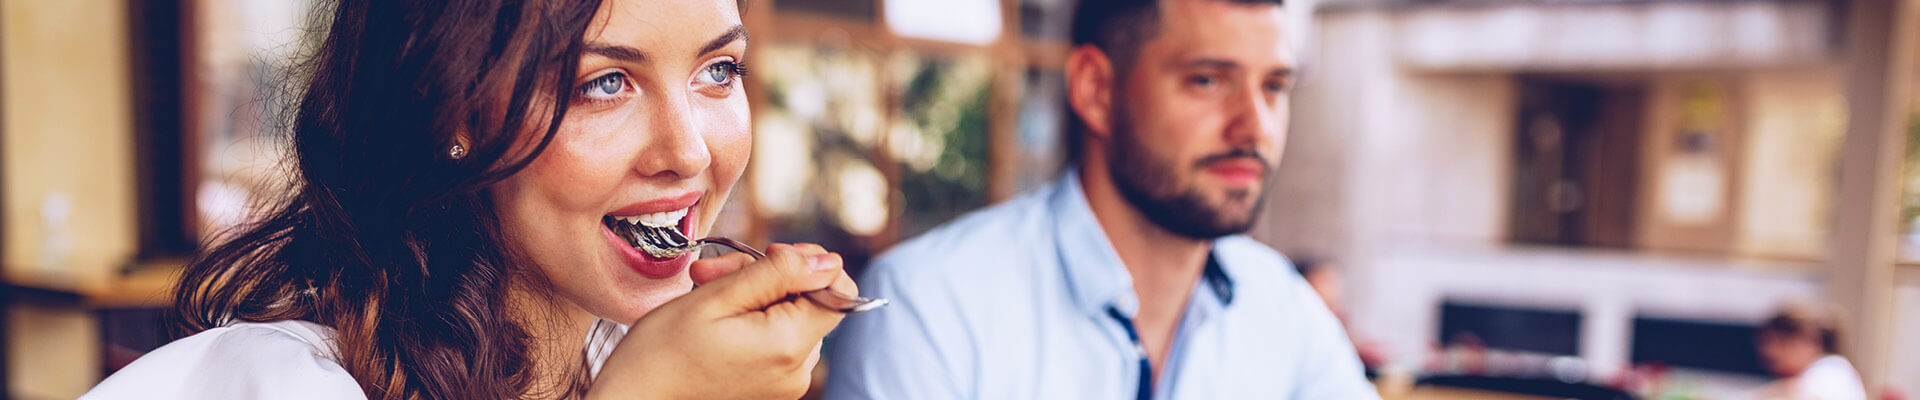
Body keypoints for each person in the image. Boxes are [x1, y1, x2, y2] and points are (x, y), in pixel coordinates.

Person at [82, 0, 859, 398]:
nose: (689, 150)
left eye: (718, 70)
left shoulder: (635, 361)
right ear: (449, 107)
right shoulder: (276, 386)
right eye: (605, 83)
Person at [824, 0, 1378, 398]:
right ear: (1095, 88)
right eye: (1208, 80)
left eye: (1274, 87)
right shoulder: (929, 306)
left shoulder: (1286, 311)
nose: (1255, 126)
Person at [1751, 302, 1868, 400]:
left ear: (1810, 341)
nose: (1768, 351)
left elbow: (1803, 394)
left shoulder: (1833, 368)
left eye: (1779, 343)